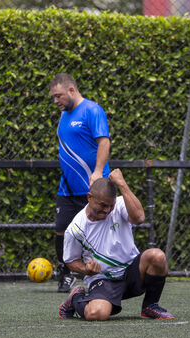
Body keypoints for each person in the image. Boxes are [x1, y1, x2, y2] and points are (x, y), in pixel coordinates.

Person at [58, 169, 174, 321]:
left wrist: (122, 183)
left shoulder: (119, 204)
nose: (107, 210)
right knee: (96, 314)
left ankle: (150, 306)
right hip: (104, 279)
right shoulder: (75, 229)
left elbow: (139, 218)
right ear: (89, 197)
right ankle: (75, 298)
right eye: (103, 205)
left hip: (132, 271)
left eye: (110, 206)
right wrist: (86, 270)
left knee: (157, 256)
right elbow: (71, 260)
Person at [49, 73, 111, 292]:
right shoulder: (64, 116)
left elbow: (103, 142)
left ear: (71, 90)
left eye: (58, 96)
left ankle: (107, 272)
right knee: (61, 230)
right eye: (53, 97)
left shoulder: (92, 110)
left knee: (99, 231)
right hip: (67, 188)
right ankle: (66, 274)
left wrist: (96, 172)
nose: (56, 101)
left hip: (92, 187)